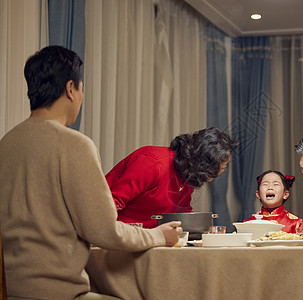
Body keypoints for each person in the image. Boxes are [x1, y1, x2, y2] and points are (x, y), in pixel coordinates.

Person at [0, 45, 182, 300]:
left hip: (11, 290)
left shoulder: (7, 143)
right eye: (82, 89)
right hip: (59, 293)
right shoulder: (74, 144)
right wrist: (158, 236)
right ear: (71, 89)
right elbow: (104, 231)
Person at [105, 127, 238, 228]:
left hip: (149, 237)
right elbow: (110, 202)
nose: (221, 172)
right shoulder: (153, 163)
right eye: (221, 167)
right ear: (203, 163)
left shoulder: (188, 172)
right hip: (120, 233)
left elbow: (182, 210)